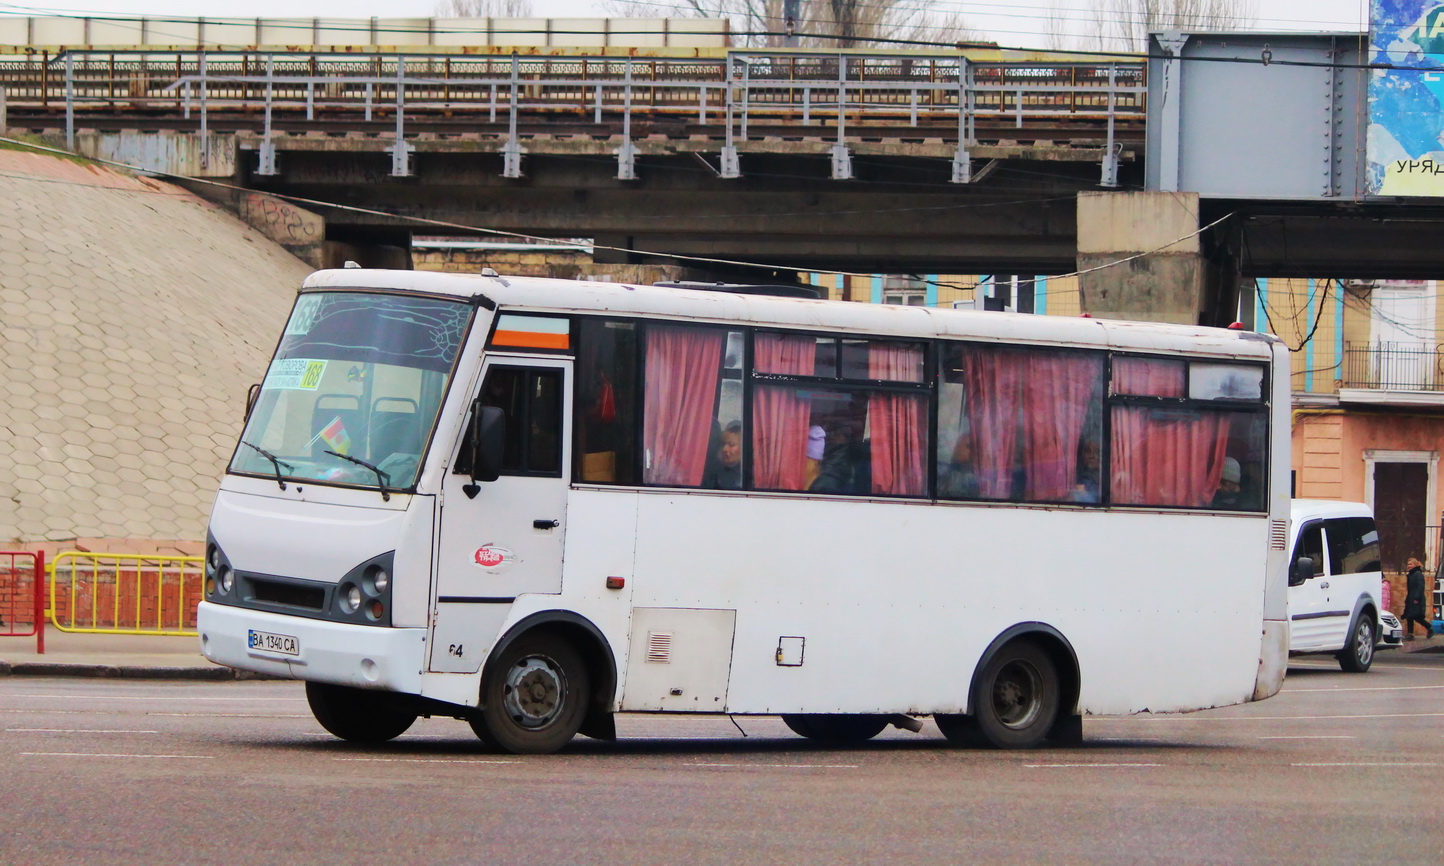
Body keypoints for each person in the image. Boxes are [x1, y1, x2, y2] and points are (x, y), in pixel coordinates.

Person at [701, 420, 742, 489]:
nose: (725, 449)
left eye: (731, 445)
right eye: (723, 444)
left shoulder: (749, 477)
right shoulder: (712, 470)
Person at [938, 433, 979, 499]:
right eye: (968, 446)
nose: (971, 451)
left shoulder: (977, 475)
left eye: (972, 447)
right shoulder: (946, 472)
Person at [1402, 556, 1433, 640]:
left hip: (1416, 600)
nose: (1409, 566)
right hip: (1411, 599)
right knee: (1410, 616)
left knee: (1417, 617)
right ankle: (1410, 634)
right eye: (1408, 564)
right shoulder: (1411, 574)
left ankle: (1429, 627)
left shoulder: (1418, 574)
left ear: (1415, 565)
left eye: (1411, 564)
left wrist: (1416, 598)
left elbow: (1420, 587)